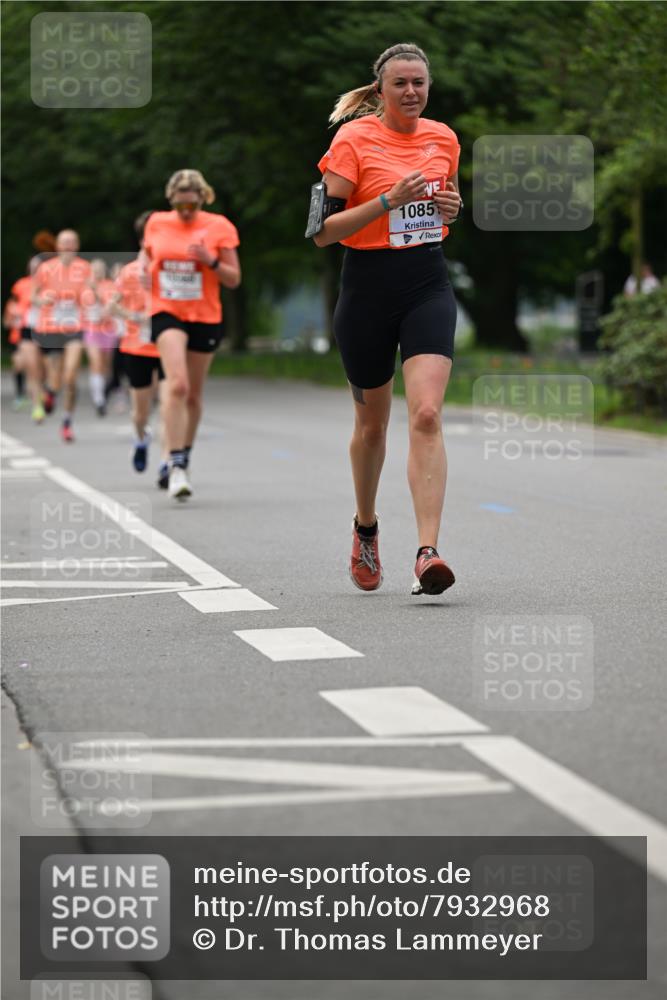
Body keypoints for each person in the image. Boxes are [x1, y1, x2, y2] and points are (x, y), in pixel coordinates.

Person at [311, 43, 462, 595]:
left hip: (427, 283)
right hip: (367, 289)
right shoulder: (351, 140)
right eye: (400, 83)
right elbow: (324, 232)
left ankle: (427, 552)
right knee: (372, 426)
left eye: (419, 82)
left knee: (425, 413)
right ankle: (366, 527)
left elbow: (449, 200)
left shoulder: (443, 137)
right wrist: (386, 202)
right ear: (380, 91)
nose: (412, 92)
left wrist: (451, 208)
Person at [143, 168, 241, 500]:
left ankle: (182, 450)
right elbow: (147, 255)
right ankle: (175, 463)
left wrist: (210, 260)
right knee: (178, 384)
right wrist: (142, 270)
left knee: (194, 395)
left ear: (202, 198)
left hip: (205, 314)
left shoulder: (219, 226)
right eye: (180, 206)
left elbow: (233, 279)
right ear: (171, 201)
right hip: (166, 310)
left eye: (191, 205)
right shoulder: (156, 222)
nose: (185, 212)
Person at [113, 211, 168, 477]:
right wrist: (134, 316)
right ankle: (141, 438)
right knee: (140, 413)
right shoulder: (129, 272)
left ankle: (168, 462)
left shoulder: (171, 265)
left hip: (169, 344)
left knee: (170, 405)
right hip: (137, 346)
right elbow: (113, 305)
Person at [31, 229, 90, 442]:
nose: (68, 247)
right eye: (64, 243)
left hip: (74, 327)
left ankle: (67, 422)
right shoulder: (45, 268)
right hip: (51, 327)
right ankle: (51, 392)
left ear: (77, 246)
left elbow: (91, 294)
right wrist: (42, 301)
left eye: (72, 243)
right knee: (55, 378)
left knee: (71, 376)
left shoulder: (84, 268)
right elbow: (33, 297)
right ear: (57, 246)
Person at [82, 258, 118, 416]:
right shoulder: (83, 288)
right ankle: (99, 400)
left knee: (106, 366)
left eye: (100, 269)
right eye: (94, 269)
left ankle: (104, 392)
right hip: (91, 330)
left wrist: (96, 291)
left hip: (108, 330)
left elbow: (110, 307)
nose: (97, 272)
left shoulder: (110, 286)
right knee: (95, 363)